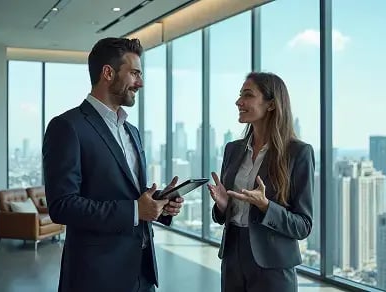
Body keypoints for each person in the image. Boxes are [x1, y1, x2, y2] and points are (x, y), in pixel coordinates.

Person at [43, 37, 184, 292]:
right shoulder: (67, 127)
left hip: (142, 273)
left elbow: (130, 195)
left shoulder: (132, 131)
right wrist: (134, 211)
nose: (140, 83)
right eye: (134, 73)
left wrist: (159, 204)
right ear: (108, 72)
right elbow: (62, 206)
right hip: (97, 276)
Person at [208, 72, 314, 292]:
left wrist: (266, 206)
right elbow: (225, 215)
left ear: (271, 105)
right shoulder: (233, 150)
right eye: (240, 95)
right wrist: (224, 206)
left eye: (247, 95)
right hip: (232, 257)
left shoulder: (298, 153)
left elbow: (303, 225)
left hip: (272, 264)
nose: (239, 102)